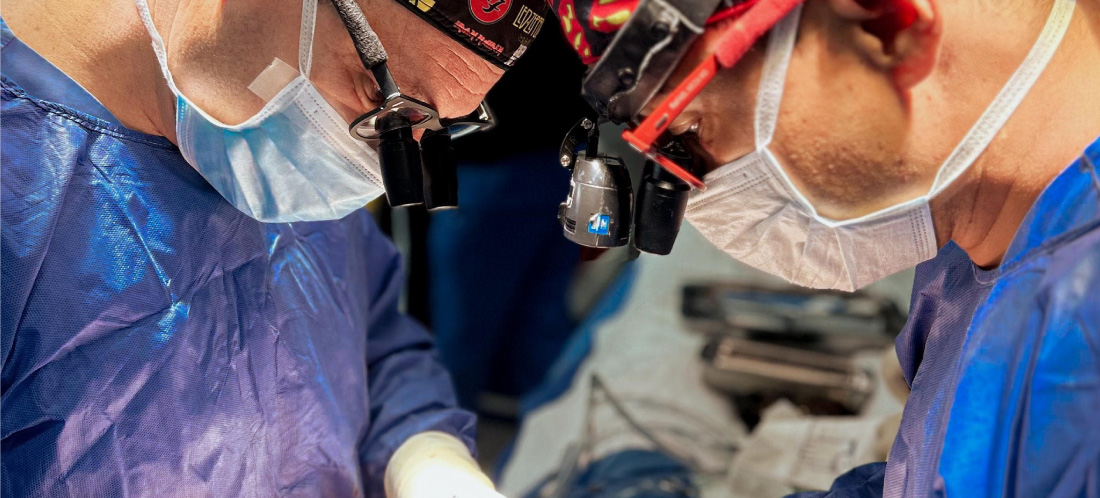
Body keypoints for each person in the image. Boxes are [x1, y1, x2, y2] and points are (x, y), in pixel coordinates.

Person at [550, 0, 1100, 496]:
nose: (699, 196)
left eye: (689, 133)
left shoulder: (1081, 335)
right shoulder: (974, 248)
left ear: (886, 25)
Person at [1, 0, 546, 495]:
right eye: (384, 100)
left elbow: (373, 343)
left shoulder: (276, 157)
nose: (381, 164)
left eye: (434, 127)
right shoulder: (20, 180)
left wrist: (424, 453)